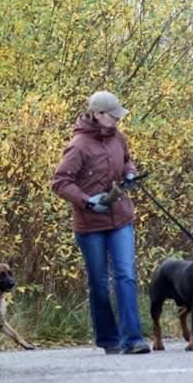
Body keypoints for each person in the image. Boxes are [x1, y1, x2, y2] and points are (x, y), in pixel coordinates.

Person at [51, 91, 150, 355]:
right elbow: (60, 182)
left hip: (121, 218)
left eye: (118, 114)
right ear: (96, 114)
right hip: (90, 225)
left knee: (126, 276)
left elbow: (127, 159)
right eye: (112, 115)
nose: (118, 119)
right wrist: (86, 201)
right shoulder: (79, 145)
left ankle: (133, 339)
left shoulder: (118, 137)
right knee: (100, 282)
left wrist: (130, 172)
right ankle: (108, 340)